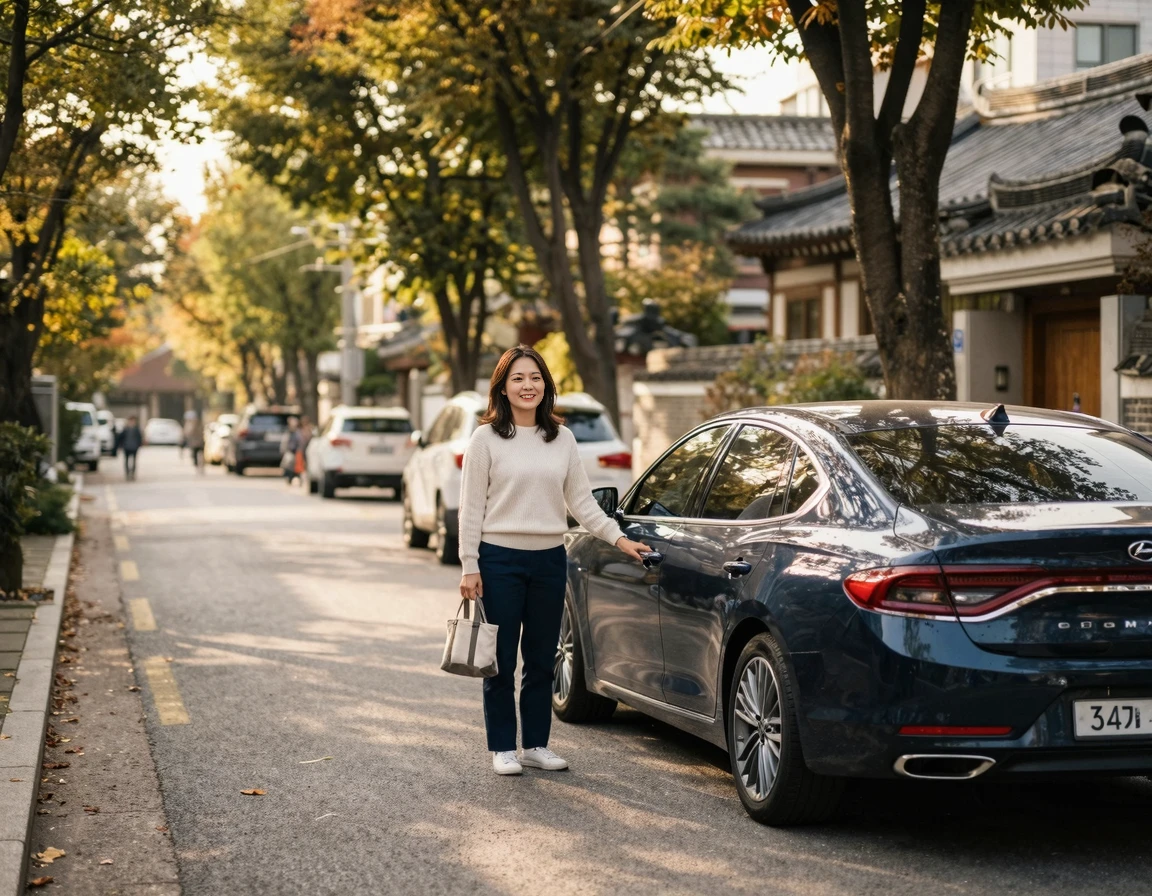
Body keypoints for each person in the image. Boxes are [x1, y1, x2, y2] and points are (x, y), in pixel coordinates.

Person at [458, 345, 651, 777]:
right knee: (501, 661)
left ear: (546, 386)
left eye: (535, 378)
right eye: (518, 379)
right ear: (503, 388)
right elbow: (470, 509)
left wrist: (620, 539)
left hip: (548, 560)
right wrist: (470, 564)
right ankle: (503, 747)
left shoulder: (561, 438)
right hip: (499, 560)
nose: (528, 386)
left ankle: (535, 745)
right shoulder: (485, 440)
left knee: (543, 658)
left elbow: (582, 502)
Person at [117, 416, 143, 480]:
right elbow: (120, 437)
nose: (132, 422)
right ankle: (127, 473)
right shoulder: (125, 429)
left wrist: (139, 445)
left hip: (134, 447)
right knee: (126, 461)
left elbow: (139, 438)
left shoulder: (136, 429)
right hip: (126, 447)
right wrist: (120, 446)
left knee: (134, 461)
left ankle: (133, 474)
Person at [279, 417, 302, 485]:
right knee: (288, 465)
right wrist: (283, 451)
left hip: (296, 452)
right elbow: (284, 443)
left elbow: (300, 443)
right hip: (289, 452)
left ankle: (297, 478)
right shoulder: (287, 433)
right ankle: (289, 478)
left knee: (297, 467)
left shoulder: (298, 433)